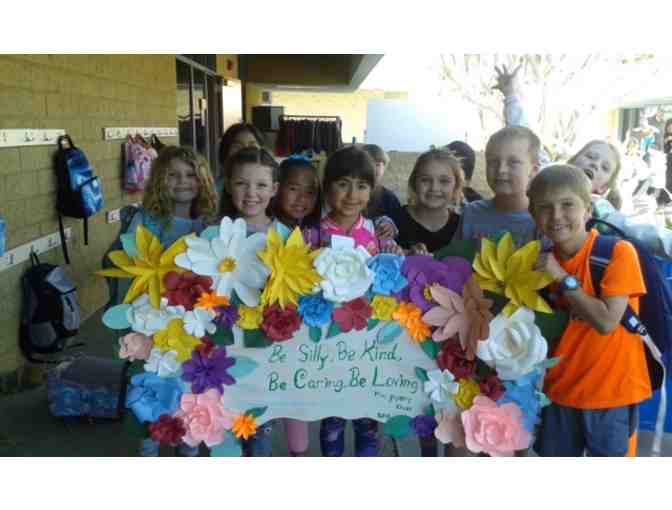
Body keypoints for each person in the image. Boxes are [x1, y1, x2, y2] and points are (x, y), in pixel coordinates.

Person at [528, 165, 650, 456]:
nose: (556, 215)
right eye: (545, 207)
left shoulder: (617, 253)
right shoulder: (536, 263)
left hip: (611, 394)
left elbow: (606, 322)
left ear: (588, 209)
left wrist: (561, 277)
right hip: (558, 392)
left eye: (567, 204)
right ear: (533, 214)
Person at [110, 145, 218, 457]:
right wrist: (128, 325)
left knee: (189, 391)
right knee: (153, 388)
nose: (182, 181)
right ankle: (149, 448)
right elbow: (129, 272)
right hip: (152, 321)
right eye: (173, 175)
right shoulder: (146, 220)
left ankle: (188, 448)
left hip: (194, 325)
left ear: (202, 179)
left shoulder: (209, 223)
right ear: (159, 180)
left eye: (190, 174)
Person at [303, 146, 401, 456]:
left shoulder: (377, 235)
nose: (352, 195)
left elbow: (391, 281)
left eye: (361, 186)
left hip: (367, 345)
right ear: (327, 186)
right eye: (343, 184)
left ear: (372, 190)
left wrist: (397, 254)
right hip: (328, 345)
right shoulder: (312, 234)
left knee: (367, 420)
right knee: (331, 419)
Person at [270, 154, 323, 456]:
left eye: (310, 191)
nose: (302, 198)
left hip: (300, 330)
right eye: (293, 188)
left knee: (295, 394)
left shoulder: (313, 232)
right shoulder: (267, 229)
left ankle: (298, 452)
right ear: (276, 187)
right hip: (269, 325)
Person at [455, 125, 544, 248]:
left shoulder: (543, 221)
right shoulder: (471, 214)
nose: (501, 169)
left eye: (513, 162)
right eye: (493, 162)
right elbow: (455, 258)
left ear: (533, 170)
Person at [390, 148, 464, 256]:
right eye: (425, 180)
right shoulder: (393, 222)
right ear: (414, 183)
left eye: (444, 181)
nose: (434, 188)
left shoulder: (461, 227)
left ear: (456, 186)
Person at [220, 146, 279, 235]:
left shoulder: (288, 236)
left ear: (274, 189)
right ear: (228, 186)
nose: (251, 193)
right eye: (241, 183)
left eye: (261, 185)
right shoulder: (211, 234)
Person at [216, 123, 266, 212]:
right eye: (237, 146)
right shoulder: (214, 190)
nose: (245, 150)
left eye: (252, 146)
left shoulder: (269, 182)